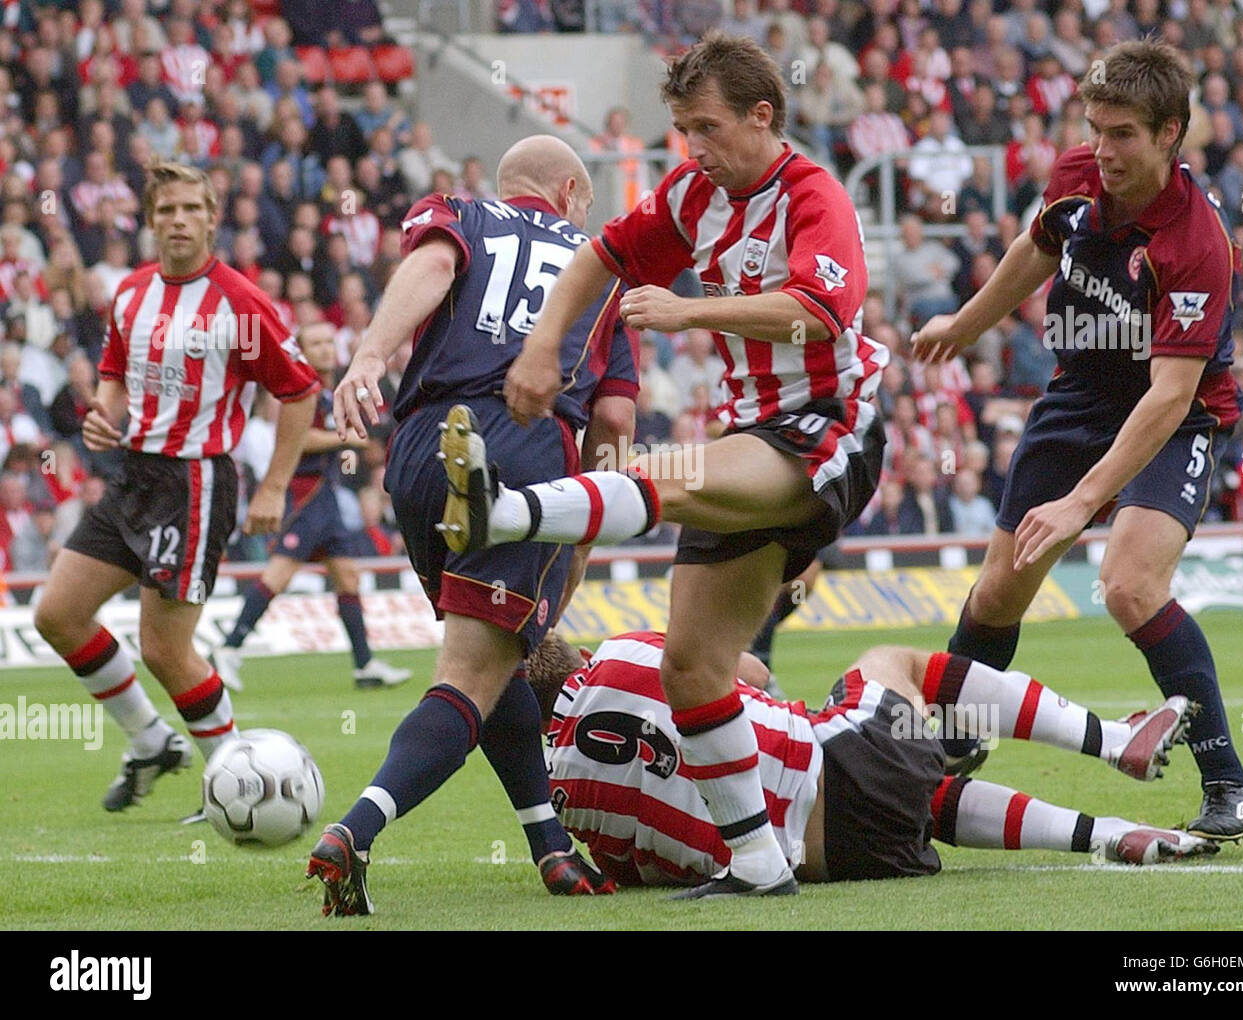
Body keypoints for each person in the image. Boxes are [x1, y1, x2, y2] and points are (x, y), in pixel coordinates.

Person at [441, 35, 891, 897]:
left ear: (764, 115)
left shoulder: (814, 196)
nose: (694, 149)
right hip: (753, 430)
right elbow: (600, 256)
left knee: (671, 472)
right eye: (683, 129)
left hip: (828, 425)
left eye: (708, 128)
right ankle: (761, 866)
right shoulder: (691, 194)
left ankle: (502, 513)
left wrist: (690, 312)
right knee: (691, 666)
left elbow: (822, 313)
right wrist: (542, 347)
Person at [911, 39, 1243, 841]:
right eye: (1094, 128)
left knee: (1128, 584)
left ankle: (1232, 786)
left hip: (1173, 417)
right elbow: (1037, 248)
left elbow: (1170, 395)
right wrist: (966, 326)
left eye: (1123, 134)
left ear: (1170, 132)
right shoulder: (1078, 173)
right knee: (999, 591)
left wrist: (1082, 501)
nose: (1102, 149)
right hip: (1075, 402)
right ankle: (939, 750)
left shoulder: (1197, 241)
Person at [309, 135, 639, 915]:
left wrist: (366, 359)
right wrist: (579, 534)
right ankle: (353, 834)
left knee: (503, 664)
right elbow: (615, 420)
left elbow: (431, 266)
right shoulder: (601, 269)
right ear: (567, 191)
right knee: (472, 674)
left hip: (424, 447)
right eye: (584, 202)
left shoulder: (459, 212)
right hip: (524, 452)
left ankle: (549, 846)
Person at [32, 161, 320, 812]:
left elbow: (300, 393)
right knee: (58, 615)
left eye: (191, 209)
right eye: (166, 211)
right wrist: (105, 416)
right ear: (149, 220)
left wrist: (274, 486)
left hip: (196, 481)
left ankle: (240, 783)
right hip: (135, 471)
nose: (179, 221)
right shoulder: (131, 293)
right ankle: (151, 742)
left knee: (163, 647)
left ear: (213, 218)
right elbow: (111, 373)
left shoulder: (242, 303)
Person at [525, 630, 1216, 887]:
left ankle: (1107, 836)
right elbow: (754, 674)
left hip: (837, 861)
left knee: (926, 803)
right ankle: (1113, 740)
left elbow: (637, 872)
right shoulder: (620, 654)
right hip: (840, 761)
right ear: (575, 656)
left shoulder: (562, 792)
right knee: (896, 661)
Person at [211, 321, 412, 692]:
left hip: (326, 496)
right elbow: (297, 439)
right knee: (279, 575)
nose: (323, 348)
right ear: (302, 350)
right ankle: (228, 648)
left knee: (347, 577)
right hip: (304, 497)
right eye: (314, 343)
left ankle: (365, 665)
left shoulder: (327, 390)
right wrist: (347, 438)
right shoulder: (300, 389)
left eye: (327, 342)